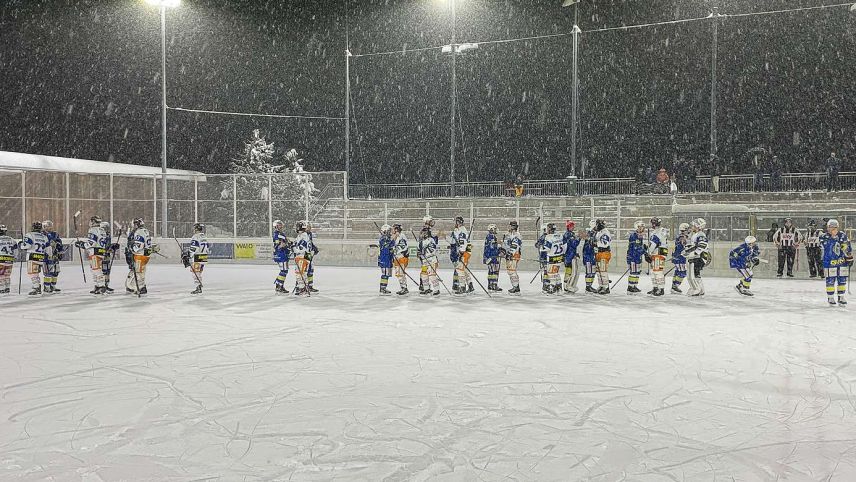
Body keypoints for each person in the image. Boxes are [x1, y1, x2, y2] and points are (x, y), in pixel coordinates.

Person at [820, 219, 852, 306]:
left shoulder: (843, 235)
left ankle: (841, 296)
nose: (833, 229)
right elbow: (826, 247)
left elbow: (847, 247)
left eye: (835, 227)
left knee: (842, 280)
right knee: (830, 281)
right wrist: (833, 238)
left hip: (842, 262)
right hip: (830, 263)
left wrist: (849, 257)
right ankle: (830, 297)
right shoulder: (824, 237)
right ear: (827, 228)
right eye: (831, 227)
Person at [75, 215, 108, 294]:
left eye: (91, 221)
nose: (90, 222)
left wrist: (82, 245)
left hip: (94, 252)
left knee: (96, 269)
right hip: (101, 251)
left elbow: (91, 242)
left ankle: (101, 286)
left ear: (93, 221)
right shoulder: (102, 230)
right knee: (95, 269)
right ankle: (97, 285)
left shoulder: (93, 230)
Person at [125, 218, 154, 295]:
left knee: (138, 272)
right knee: (142, 271)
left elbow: (139, 245)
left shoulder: (139, 232)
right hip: (146, 255)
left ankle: (140, 288)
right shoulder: (145, 231)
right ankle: (142, 287)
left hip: (140, 255)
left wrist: (132, 248)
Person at [684, 218, 710, 296]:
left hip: (699, 257)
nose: (692, 227)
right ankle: (700, 289)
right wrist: (687, 250)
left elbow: (702, 245)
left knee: (693, 274)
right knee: (696, 273)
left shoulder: (701, 234)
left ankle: (696, 289)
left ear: (698, 227)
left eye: (694, 226)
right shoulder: (695, 235)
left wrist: (695, 253)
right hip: (697, 257)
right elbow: (693, 245)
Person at [181, 223, 209, 295]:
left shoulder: (195, 237)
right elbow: (207, 247)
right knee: (199, 272)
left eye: (194, 228)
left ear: (196, 229)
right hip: (204, 257)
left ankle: (198, 287)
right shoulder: (204, 237)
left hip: (197, 256)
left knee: (195, 272)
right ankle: (199, 286)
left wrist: (188, 254)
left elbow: (194, 248)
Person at [647, 217, 669, 296]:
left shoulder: (657, 232)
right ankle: (656, 287)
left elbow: (653, 244)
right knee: (653, 272)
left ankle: (661, 288)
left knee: (657, 272)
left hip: (658, 254)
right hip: (658, 253)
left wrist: (647, 253)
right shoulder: (662, 231)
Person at [41, 220, 65, 294]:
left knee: (56, 271)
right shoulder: (42, 234)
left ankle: (53, 286)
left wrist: (60, 251)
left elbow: (59, 243)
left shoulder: (55, 234)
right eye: (48, 226)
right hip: (46, 256)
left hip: (54, 255)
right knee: (48, 271)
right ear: (44, 227)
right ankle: (47, 287)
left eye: (50, 226)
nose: (50, 228)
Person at [451, 216, 473, 294]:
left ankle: (462, 287)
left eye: (456, 222)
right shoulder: (459, 230)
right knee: (465, 270)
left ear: (458, 222)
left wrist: (461, 252)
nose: (455, 223)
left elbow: (463, 242)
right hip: (465, 252)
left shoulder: (462, 230)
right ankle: (470, 286)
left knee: (460, 269)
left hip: (464, 252)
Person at [542, 223, 565, 294]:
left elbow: (547, 248)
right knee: (556, 273)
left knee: (551, 274)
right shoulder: (560, 235)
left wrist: (540, 247)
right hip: (560, 257)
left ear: (549, 229)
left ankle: (553, 288)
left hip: (552, 258)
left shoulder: (548, 237)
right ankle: (559, 288)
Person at [417, 226, 440, 296]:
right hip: (425, 262)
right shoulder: (421, 242)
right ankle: (426, 289)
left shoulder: (431, 240)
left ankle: (437, 289)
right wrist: (419, 253)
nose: (423, 234)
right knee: (424, 275)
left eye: (424, 233)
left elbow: (432, 250)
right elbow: (419, 251)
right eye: (422, 232)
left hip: (431, 261)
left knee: (432, 275)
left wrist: (424, 252)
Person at [292, 221, 313, 296]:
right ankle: (304, 288)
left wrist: (294, 248)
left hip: (303, 255)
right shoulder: (304, 235)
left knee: (299, 273)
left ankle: (302, 289)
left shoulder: (303, 236)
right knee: (303, 273)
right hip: (306, 255)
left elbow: (301, 247)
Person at [502, 221, 522, 294]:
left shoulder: (516, 235)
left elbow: (514, 245)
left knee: (512, 271)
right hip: (510, 255)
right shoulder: (509, 234)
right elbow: (507, 244)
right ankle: (515, 286)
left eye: (510, 226)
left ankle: (516, 288)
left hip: (514, 255)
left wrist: (510, 253)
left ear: (513, 227)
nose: (509, 227)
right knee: (510, 271)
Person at [626, 221, 646, 294]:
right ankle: (630, 287)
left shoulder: (640, 236)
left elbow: (639, 247)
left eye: (643, 227)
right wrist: (644, 251)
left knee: (637, 272)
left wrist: (643, 249)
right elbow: (636, 248)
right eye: (640, 227)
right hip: (633, 257)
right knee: (633, 272)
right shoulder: (634, 236)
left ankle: (634, 286)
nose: (642, 229)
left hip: (638, 257)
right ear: (637, 227)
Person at [100, 221, 121, 293]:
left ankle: (106, 285)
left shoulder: (107, 235)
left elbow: (108, 246)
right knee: (103, 271)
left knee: (107, 271)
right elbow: (101, 246)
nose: (107, 229)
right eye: (106, 228)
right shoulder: (101, 235)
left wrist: (113, 246)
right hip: (102, 256)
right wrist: (106, 250)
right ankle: (102, 286)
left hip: (107, 256)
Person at [272, 220, 291, 294]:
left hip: (282, 254)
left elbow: (286, 242)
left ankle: (279, 285)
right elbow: (278, 245)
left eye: (281, 224)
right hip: (281, 254)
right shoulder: (277, 234)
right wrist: (282, 245)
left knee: (284, 271)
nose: (281, 226)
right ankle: (279, 285)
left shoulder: (280, 233)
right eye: (279, 225)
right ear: (276, 226)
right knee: (284, 271)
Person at [562, 220, 581, 293]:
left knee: (568, 271)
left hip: (568, 256)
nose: (573, 227)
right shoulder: (569, 234)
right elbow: (574, 244)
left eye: (573, 225)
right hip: (569, 256)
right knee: (572, 272)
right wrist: (579, 237)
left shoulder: (569, 234)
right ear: (568, 227)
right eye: (571, 226)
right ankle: (568, 286)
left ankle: (566, 286)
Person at [594, 219, 612, 294]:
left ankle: (606, 287)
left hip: (604, 252)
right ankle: (601, 285)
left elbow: (605, 243)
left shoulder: (605, 232)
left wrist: (596, 244)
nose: (596, 226)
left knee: (603, 270)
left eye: (597, 224)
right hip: (599, 252)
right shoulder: (599, 232)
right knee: (598, 271)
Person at [483, 224, 502, 292]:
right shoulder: (491, 237)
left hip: (489, 256)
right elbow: (492, 247)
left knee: (491, 271)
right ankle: (494, 285)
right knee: (494, 271)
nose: (496, 230)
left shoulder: (489, 236)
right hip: (492, 257)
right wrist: (499, 248)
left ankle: (490, 285)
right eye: (495, 229)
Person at [391, 224, 409, 295]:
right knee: (398, 274)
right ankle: (403, 287)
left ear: (396, 229)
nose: (392, 230)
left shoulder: (401, 236)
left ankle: (404, 288)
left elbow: (403, 247)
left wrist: (395, 250)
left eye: (393, 229)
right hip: (398, 258)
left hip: (401, 257)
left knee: (400, 273)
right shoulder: (396, 237)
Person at [671, 223, 690, 294]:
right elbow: (685, 247)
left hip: (677, 257)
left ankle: (674, 286)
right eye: (687, 229)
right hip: (680, 258)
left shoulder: (680, 236)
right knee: (682, 272)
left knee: (677, 272)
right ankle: (675, 286)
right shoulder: (683, 237)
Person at [377, 224, 394, 295]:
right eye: (389, 231)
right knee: (385, 274)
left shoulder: (386, 239)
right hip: (385, 259)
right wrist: (391, 249)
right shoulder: (384, 239)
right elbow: (386, 249)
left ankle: (383, 288)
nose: (390, 232)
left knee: (386, 274)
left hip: (386, 259)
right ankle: (383, 288)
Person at [0, 224, 17, 295]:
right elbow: (16, 250)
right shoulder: (12, 239)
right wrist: (15, 257)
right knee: (7, 275)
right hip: (10, 259)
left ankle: (2, 288)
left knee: (1, 275)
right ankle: (7, 288)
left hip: (1, 259)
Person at [583, 220, 597, 293]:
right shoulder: (588, 234)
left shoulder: (596, 233)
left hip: (593, 256)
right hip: (588, 256)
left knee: (593, 272)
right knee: (589, 272)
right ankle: (588, 287)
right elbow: (588, 246)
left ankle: (590, 286)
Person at [305, 222, 320, 293]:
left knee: (310, 269)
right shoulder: (303, 234)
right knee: (304, 270)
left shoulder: (309, 234)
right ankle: (302, 286)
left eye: (310, 226)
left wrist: (314, 248)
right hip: (305, 254)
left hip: (309, 254)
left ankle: (310, 286)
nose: (310, 228)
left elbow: (310, 243)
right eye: (308, 226)